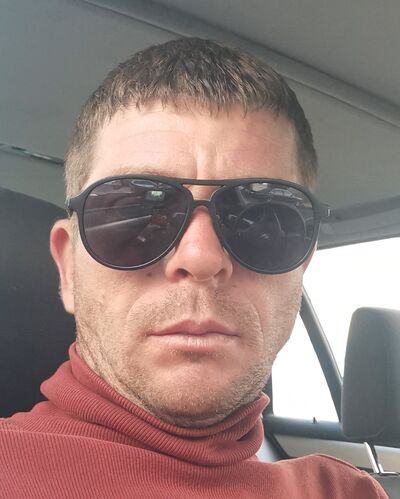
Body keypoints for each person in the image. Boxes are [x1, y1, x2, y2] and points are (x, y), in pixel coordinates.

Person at [0, 38, 387, 498]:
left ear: (302, 263)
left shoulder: (344, 491)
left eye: (262, 220)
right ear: (68, 268)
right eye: (138, 216)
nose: (200, 258)